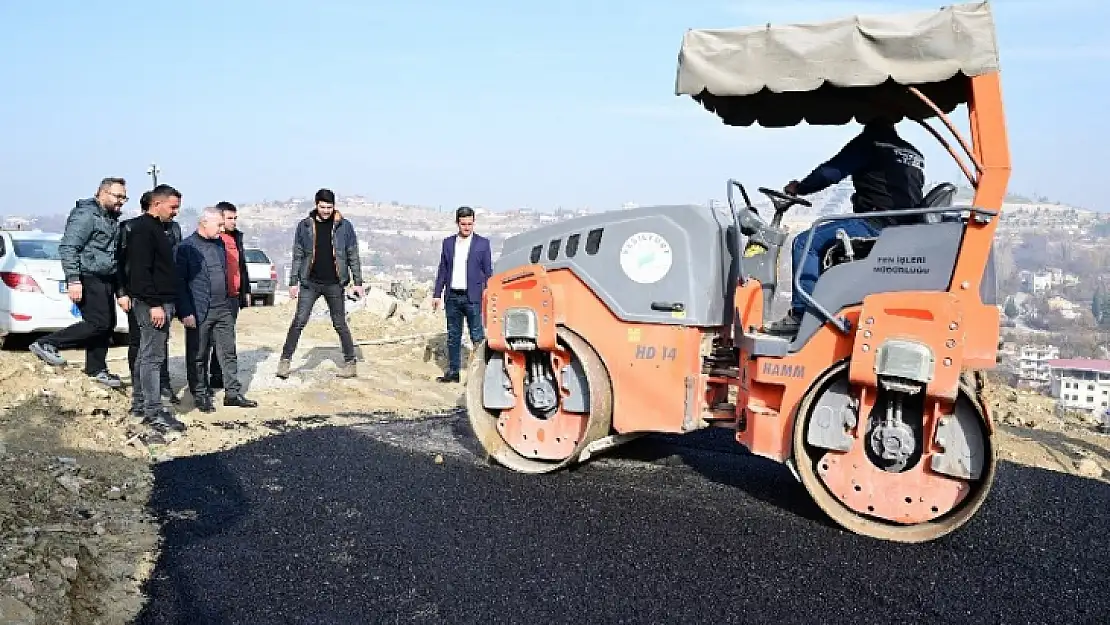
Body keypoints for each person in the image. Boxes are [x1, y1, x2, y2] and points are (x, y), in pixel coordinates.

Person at [764, 119, 925, 335]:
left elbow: (830, 173)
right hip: (904, 228)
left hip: (875, 224)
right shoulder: (913, 153)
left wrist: (800, 187)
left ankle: (802, 314)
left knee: (806, 242)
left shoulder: (871, 143)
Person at [29, 177, 127, 387]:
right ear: (102, 193)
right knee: (97, 323)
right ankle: (46, 343)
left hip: (105, 277)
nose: (121, 201)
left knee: (107, 325)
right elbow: (68, 247)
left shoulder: (110, 217)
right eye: (117, 196)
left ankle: (96, 369)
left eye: (123, 197)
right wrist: (74, 280)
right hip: (87, 276)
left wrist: (120, 291)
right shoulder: (86, 215)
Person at [276, 188, 364, 380]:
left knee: (340, 323)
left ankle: (350, 363)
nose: (326, 210)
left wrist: (358, 282)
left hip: (335, 283)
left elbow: (352, 255)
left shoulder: (344, 226)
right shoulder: (305, 226)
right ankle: (285, 361)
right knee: (299, 321)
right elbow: (297, 255)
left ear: (334, 206)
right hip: (310, 282)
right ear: (316, 205)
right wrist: (293, 283)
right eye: (322, 207)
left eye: (329, 207)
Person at [176, 207, 258, 411]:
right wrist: (185, 312)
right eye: (219, 224)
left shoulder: (220, 244)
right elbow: (179, 283)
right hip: (199, 309)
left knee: (228, 352)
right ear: (204, 223)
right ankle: (200, 395)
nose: (222, 229)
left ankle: (232, 393)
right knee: (198, 354)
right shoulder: (187, 247)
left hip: (223, 307)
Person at [125, 184, 187, 433]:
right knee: (152, 357)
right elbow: (140, 272)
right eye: (172, 207)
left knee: (145, 353)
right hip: (153, 303)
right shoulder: (143, 230)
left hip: (160, 300)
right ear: (157, 203)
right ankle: (153, 411)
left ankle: (141, 404)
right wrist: (154, 304)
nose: (175, 213)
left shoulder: (158, 228)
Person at [431, 206, 493, 383]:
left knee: (477, 336)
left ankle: (484, 373)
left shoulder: (483, 244)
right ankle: (453, 371)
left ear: (474, 223)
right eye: (463, 224)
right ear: (457, 223)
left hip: (473, 296)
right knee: (453, 335)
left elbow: (488, 272)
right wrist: (437, 294)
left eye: (470, 224)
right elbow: (443, 269)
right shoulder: (448, 243)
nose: (467, 227)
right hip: (452, 296)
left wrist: (488, 293)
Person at [207, 201, 251, 390]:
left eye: (235, 218)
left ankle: (220, 376)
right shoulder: (214, 240)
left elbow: (241, 266)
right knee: (212, 340)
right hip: (218, 297)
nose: (233, 222)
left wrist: (246, 290)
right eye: (229, 218)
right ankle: (211, 377)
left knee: (226, 340)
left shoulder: (236, 238)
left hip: (234, 296)